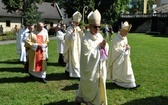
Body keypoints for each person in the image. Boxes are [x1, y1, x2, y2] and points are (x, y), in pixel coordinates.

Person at [75, 9, 109, 105]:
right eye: (95, 27)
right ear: (89, 27)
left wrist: (104, 46)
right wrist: (99, 47)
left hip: (100, 68)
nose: (98, 29)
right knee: (89, 85)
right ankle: (90, 101)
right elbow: (87, 56)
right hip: (90, 70)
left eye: (99, 27)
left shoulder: (100, 36)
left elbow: (105, 48)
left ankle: (94, 100)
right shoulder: (85, 39)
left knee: (99, 85)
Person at [107, 21, 140, 89]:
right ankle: (120, 81)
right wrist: (124, 49)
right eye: (125, 32)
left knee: (128, 68)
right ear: (121, 31)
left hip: (125, 58)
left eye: (127, 32)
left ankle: (130, 83)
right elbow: (115, 50)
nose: (126, 34)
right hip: (118, 59)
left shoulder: (125, 38)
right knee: (124, 70)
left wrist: (127, 48)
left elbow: (125, 46)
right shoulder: (116, 38)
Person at [63, 11, 83, 78]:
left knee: (78, 59)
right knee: (73, 60)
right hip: (72, 47)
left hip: (78, 47)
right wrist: (73, 34)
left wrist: (82, 31)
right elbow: (67, 38)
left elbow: (81, 37)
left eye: (78, 23)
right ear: (73, 21)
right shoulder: (69, 28)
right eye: (76, 22)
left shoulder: (78, 28)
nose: (77, 24)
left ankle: (68, 70)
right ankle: (74, 73)